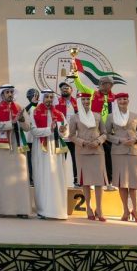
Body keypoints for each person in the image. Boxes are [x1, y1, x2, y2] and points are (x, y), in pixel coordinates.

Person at [27, 89, 70, 220]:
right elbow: (33, 131)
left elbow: (66, 132)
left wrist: (62, 131)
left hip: (56, 149)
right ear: (42, 98)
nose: (49, 100)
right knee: (42, 177)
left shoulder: (59, 114)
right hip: (41, 149)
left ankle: (58, 209)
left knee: (57, 177)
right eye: (47, 97)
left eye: (51, 97)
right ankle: (43, 210)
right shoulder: (35, 112)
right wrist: (49, 130)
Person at [0, 84, 31, 218]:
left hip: (18, 145)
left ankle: (22, 210)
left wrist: (22, 120)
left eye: (11, 92)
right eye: (7, 92)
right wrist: (11, 123)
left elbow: (27, 127)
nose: (9, 94)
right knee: (3, 179)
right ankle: (3, 210)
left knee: (20, 178)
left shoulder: (20, 108)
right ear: (2, 94)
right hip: (1, 147)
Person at [105, 93, 137, 223]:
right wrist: (119, 140)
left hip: (134, 152)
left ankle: (136, 210)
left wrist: (135, 140)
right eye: (120, 99)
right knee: (122, 183)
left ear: (128, 100)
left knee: (134, 183)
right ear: (116, 102)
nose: (123, 101)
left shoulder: (136, 116)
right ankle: (125, 210)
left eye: (125, 99)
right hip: (118, 152)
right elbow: (106, 135)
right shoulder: (111, 117)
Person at [68, 92, 107, 221]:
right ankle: (89, 208)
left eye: (87, 100)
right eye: (83, 100)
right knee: (85, 181)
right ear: (79, 102)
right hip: (82, 151)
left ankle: (99, 208)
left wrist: (98, 141)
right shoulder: (74, 117)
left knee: (99, 181)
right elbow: (71, 136)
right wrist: (83, 142)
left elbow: (104, 133)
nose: (86, 102)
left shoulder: (97, 115)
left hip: (97, 151)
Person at [74, 74, 117, 188]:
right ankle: (91, 180)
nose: (102, 85)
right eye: (101, 83)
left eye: (105, 83)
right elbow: (79, 85)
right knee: (93, 158)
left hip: (109, 131)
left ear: (111, 85)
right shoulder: (93, 93)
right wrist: (75, 74)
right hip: (96, 131)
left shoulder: (114, 97)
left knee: (108, 158)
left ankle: (109, 182)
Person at [57, 82, 79, 186]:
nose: (64, 89)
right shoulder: (56, 102)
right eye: (62, 88)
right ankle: (59, 182)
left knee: (76, 160)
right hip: (62, 138)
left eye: (66, 88)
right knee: (60, 160)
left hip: (74, 137)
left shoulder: (77, 102)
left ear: (71, 90)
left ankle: (77, 180)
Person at [24, 88, 39, 186]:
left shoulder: (41, 107)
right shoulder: (29, 107)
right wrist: (32, 104)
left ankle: (38, 178)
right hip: (29, 138)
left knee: (38, 159)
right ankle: (30, 179)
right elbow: (23, 112)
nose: (34, 98)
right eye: (32, 96)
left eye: (35, 96)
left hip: (39, 137)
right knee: (29, 160)